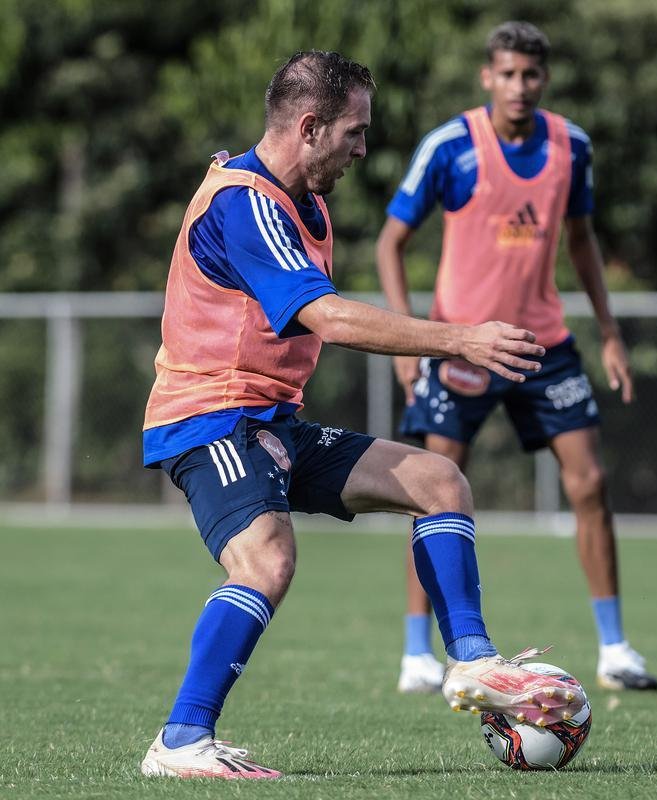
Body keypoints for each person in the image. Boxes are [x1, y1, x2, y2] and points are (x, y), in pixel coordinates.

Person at [139, 50, 587, 781]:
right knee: (266, 560)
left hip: (270, 421)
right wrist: (460, 338)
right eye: (355, 132)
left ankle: (474, 664)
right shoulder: (246, 203)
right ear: (309, 127)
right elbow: (329, 317)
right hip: (208, 418)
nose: (362, 149)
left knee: (439, 482)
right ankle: (181, 740)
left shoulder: (302, 203)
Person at [377, 22, 657, 695]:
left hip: (543, 346)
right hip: (462, 342)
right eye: (507, 73)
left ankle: (615, 648)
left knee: (590, 483)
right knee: (432, 490)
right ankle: (417, 653)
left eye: (530, 74)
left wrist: (610, 332)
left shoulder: (571, 147)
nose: (519, 85)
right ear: (487, 77)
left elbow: (583, 241)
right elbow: (390, 242)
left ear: (545, 79)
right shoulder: (450, 146)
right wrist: (411, 339)